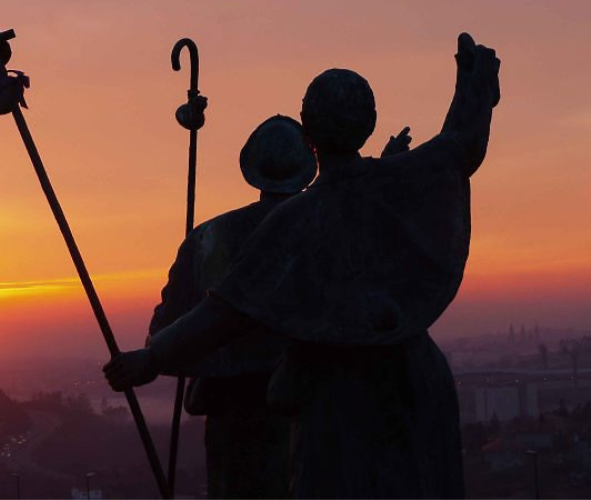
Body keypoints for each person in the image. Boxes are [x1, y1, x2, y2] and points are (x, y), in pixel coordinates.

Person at [107, 32, 500, 498]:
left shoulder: (295, 221)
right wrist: (474, 90)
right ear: (369, 123)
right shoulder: (401, 179)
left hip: (340, 397)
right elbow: (461, 144)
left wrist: (152, 357)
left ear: (308, 132)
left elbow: (224, 313)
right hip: (415, 381)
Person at [152, 115, 411, 498]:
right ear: (307, 169)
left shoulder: (208, 238)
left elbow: (164, 341)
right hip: (317, 413)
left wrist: (223, 354)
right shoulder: (333, 228)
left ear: (252, 170)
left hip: (235, 422)